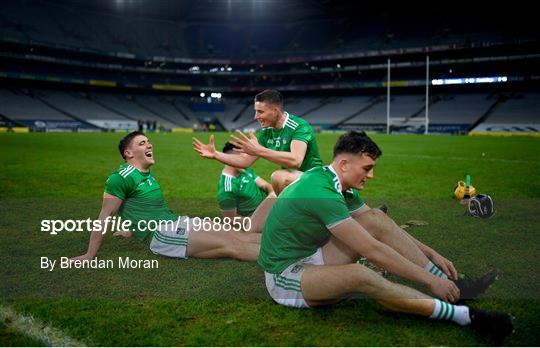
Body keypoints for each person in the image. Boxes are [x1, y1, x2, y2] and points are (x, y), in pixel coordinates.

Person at [257, 131, 512, 344]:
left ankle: (455, 287)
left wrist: (431, 255)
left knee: (375, 219)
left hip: (311, 256)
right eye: (367, 168)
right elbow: (372, 249)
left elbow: (381, 225)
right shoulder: (321, 191)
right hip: (285, 275)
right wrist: (426, 279)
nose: (371, 175)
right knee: (360, 275)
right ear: (344, 164)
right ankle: (465, 315)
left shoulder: (335, 182)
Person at [70, 131, 261, 263]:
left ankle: (288, 245)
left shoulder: (145, 172)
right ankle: (284, 259)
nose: (149, 144)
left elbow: (137, 206)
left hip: (176, 221)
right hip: (163, 235)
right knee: (232, 246)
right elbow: (105, 216)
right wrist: (89, 255)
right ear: (128, 153)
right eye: (142, 143)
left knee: (235, 233)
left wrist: (131, 229)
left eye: (148, 141)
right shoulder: (120, 178)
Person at [193, 89, 323, 196]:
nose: (256, 116)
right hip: (294, 183)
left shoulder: (299, 126)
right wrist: (216, 154)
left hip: (313, 179)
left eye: (260, 111)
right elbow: (245, 161)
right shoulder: (267, 132)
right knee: (256, 224)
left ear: (275, 111)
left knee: (279, 177)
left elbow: (296, 160)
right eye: (256, 111)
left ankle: (291, 214)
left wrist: (260, 150)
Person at [217, 142, 274, 219]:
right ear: (231, 160)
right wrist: (257, 219)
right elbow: (231, 221)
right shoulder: (227, 189)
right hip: (259, 219)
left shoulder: (244, 169)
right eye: (243, 158)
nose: (247, 161)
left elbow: (266, 186)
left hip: (272, 207)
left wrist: (272, 195)